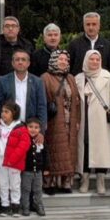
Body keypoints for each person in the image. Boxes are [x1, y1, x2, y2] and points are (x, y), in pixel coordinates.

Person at [76, 50, 110, 195]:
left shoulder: (107, 76)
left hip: (101, 120)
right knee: (84, 149)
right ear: (86, 60)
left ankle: (100, 180)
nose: (95, 62)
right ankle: (84, 179)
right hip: (84, 119)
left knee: (101, 150)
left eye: (98, 59)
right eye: (92, 59)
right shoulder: (78, 78)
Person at [41, 50, 81, 194]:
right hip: (53, 120)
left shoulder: (70, 78)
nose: (63, 62)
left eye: (65, 59)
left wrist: (78, 120)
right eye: (60, 59)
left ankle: (65, 183)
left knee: (68, 151)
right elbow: (43, 100)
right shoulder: (45, 78)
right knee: (53, 151)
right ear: (53, 60)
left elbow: (77, 101)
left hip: (70, 119)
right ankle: (49, 183)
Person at [0, 48, 48, 129]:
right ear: (12, 63)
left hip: (30, 128)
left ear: (28, 63)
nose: (20, 62)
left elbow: (42, 106)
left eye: (23, 59)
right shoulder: (3, 80)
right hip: (8, 127)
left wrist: (41, 130)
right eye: (17, 59)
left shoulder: (38, 82)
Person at [0, 101, 30, 217]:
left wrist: (13, 158)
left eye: (6, 112)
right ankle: (4, 205)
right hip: (1, 160)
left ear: (14, 113)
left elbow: (24, 145)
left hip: (14, 162)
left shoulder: (20, 127)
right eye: (2, 111)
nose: (3, 114)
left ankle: (15, 205)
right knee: (3, 184)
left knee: (15, 184)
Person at [68, 12, 110, 76]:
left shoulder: (106, 45)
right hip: (80, 84)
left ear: (99, 26)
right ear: (84, 25)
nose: (91, 27)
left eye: (94, 24)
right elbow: (69, 69)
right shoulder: (74, 44)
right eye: (88, 24)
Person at [20, 118, 49, 217]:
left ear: (40, 129)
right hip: (26, 171)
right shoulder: (24, 139)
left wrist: (46, 168)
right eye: (30, 127)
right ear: (26, 128)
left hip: (38, 172)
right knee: (26, 189)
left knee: (38, 190)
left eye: (36, 127)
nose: (33, 129)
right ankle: (25, 206)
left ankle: (39, 205)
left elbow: (46, 154)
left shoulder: (41, 140)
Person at [0, 16, 34, 82]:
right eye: (7, 26)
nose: (10, 28)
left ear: (18, 29)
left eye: (13, 26)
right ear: (3, 29)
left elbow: (32, 66)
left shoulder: (27, 45)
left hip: (23, 82)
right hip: (1, 83)